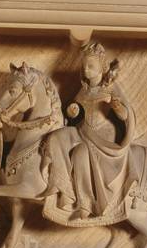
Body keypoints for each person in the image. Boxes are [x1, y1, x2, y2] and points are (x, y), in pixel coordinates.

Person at [44, 42, 135, 220]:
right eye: (84, 66)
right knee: (57, 137)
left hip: (103, 137)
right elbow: (75, 112)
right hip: (83, 132)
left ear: (102, 67)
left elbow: (125, 115)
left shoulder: (110, 87)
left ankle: (86, 204)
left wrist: (116, 106)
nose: (87, 69)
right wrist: (72, 111)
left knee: (79, 153)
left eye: (91, 66)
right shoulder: (83, 90)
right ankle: (63, 188)